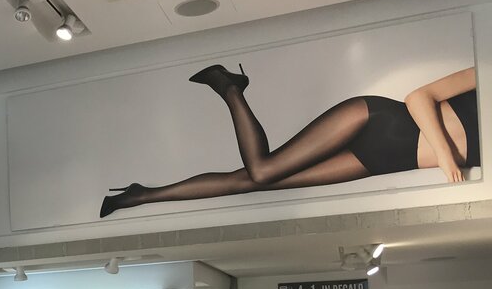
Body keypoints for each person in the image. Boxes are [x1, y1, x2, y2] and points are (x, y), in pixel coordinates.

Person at [100, 66, 478, 217]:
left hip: (383, 161)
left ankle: (142, 195)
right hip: (377, 121)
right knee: (263, 171)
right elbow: (418, 98)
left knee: (250, 181)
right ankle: (230, 88)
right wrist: (446, 157)